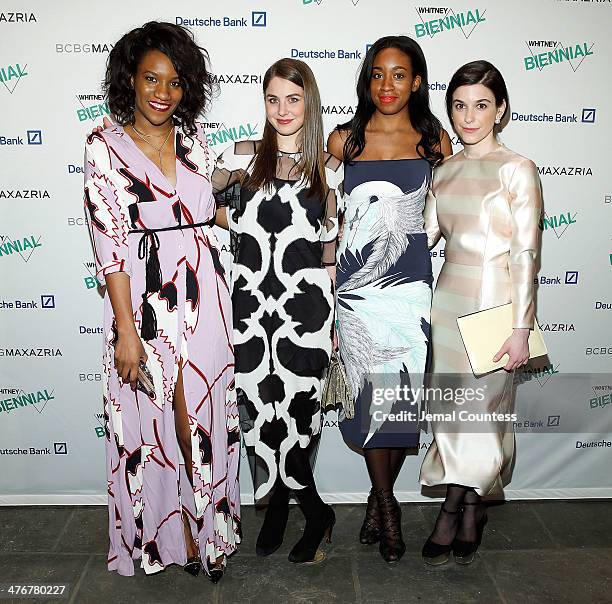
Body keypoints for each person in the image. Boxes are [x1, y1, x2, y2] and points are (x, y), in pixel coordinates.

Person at [84, 22, 239, 582]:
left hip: (204, 292)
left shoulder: (195, 139)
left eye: (174, 83)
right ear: (130, 78)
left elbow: (206, 211)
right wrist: (126, 331)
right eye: (151, 78)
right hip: (145, 303)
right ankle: (172, 535)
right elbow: (110, 247)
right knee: (156, 421)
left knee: (202, 415)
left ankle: (207, 530)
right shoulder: (103, 146)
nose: (162, 92)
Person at [212, 58, 343, 564]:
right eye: (273, 99)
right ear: (262, 103)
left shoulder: (330, 171)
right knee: (260, 422)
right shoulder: (241, 158)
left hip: (305, 316)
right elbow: (203, 206)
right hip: (248, 311)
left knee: (299, 422)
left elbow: (331, 253)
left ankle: (315, 512)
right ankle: (282, 509)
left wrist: (330, 328)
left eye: (293, 98)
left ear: (308, 102)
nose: (283, 109)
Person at [327, 35, 452, 563]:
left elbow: (453, 209)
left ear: (417, 81)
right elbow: (307, 187)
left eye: (399, 74)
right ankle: (387, 502)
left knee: (398, 403)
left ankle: (380, 502)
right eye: (378, 74)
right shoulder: (345, 141)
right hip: (357, 290)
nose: (387, 85)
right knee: (366, 406)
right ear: (367, 80)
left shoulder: (434, 142)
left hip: (410, 289)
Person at [419, 60, 542, 565]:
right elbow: (421, 242)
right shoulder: (443, 172)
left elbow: (527, 254)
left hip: (496, 311)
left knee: (482, 419)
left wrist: (521, 328)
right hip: (447, 306)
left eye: (481, 105)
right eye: (460, 106)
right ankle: (473, 510)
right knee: (451, 416)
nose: (469, 117)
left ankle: (452, 511)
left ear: (501, 110)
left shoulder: (518, 169)